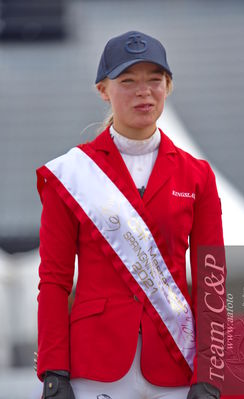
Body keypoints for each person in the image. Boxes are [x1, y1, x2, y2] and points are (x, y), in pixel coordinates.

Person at [36, 31, 225, 399]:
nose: (144, 92)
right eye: (127, 81)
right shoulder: (71, 174)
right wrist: (53, 369)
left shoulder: (197, 175)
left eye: (155, 80)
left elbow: (212, 281)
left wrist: (212, 371)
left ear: (168, 87)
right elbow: (54, 281)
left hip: (176, 366)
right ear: (103, 90)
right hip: (93, 366)